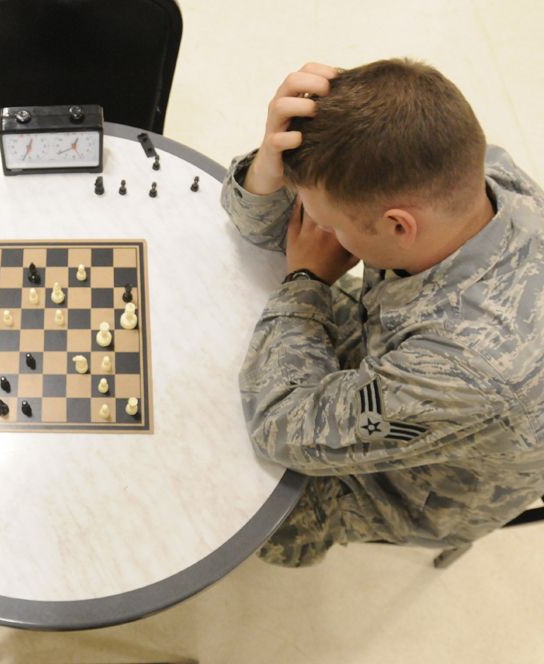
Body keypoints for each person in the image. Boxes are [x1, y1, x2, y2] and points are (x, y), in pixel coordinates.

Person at [220, 59, 544, 566]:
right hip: (394, 348)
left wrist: (304, 284)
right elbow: (270, 235)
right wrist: (267, 165)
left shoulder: (468, 369)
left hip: (419, 485)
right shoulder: (467, 171)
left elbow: (282, 430)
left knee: (239, 504)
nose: (319, 231)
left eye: (331, 225)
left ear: (398, 226)